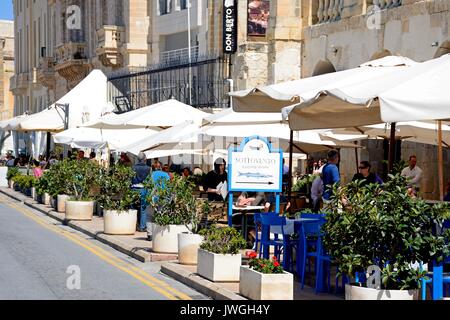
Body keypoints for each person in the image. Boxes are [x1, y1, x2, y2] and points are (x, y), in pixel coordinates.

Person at [146, 161, 171, 239]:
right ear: (161, 167)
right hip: (163, 197)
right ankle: (159, 233)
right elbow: (169, 186)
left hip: (153, 197)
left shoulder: (151, 175)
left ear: (153, 167)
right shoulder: (166, 175)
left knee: (149, 216)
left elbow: (148, 185)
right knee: (160, 213)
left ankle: (150, 234)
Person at [132, 152, 152, 233]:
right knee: (143, 208)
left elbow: (130, 178)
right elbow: (150, 180)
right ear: (145, 159)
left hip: (133, 188)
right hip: (143, 189)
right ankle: (142, 227)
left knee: (133, 207)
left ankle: (133, 225)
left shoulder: (133, 167)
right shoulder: (148, 168)